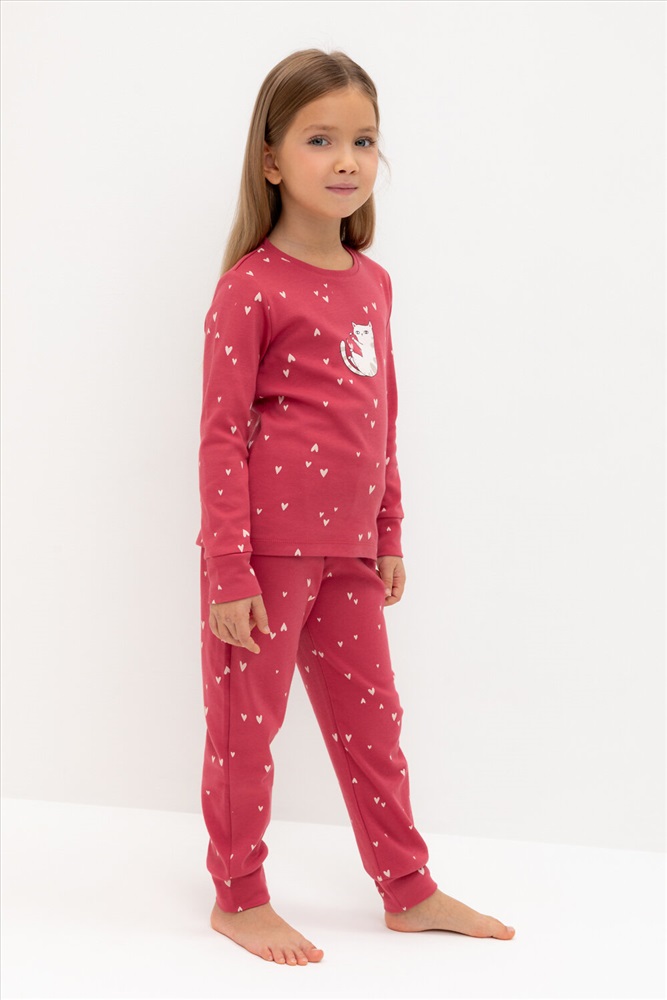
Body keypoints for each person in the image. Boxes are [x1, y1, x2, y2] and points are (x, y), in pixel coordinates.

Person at [195, 48, 515, 966]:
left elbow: (382, 417)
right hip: (264, 554)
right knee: (246, 730)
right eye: (320, 140)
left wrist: (388, 529)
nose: (346, 159)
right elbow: (220, 436)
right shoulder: (249, 286)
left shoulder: (371, 282)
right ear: (270, 160)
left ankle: (406, 889)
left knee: (375, 724)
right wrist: (228, 569)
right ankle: (238, 896)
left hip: (349, 551)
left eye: (363, 141)